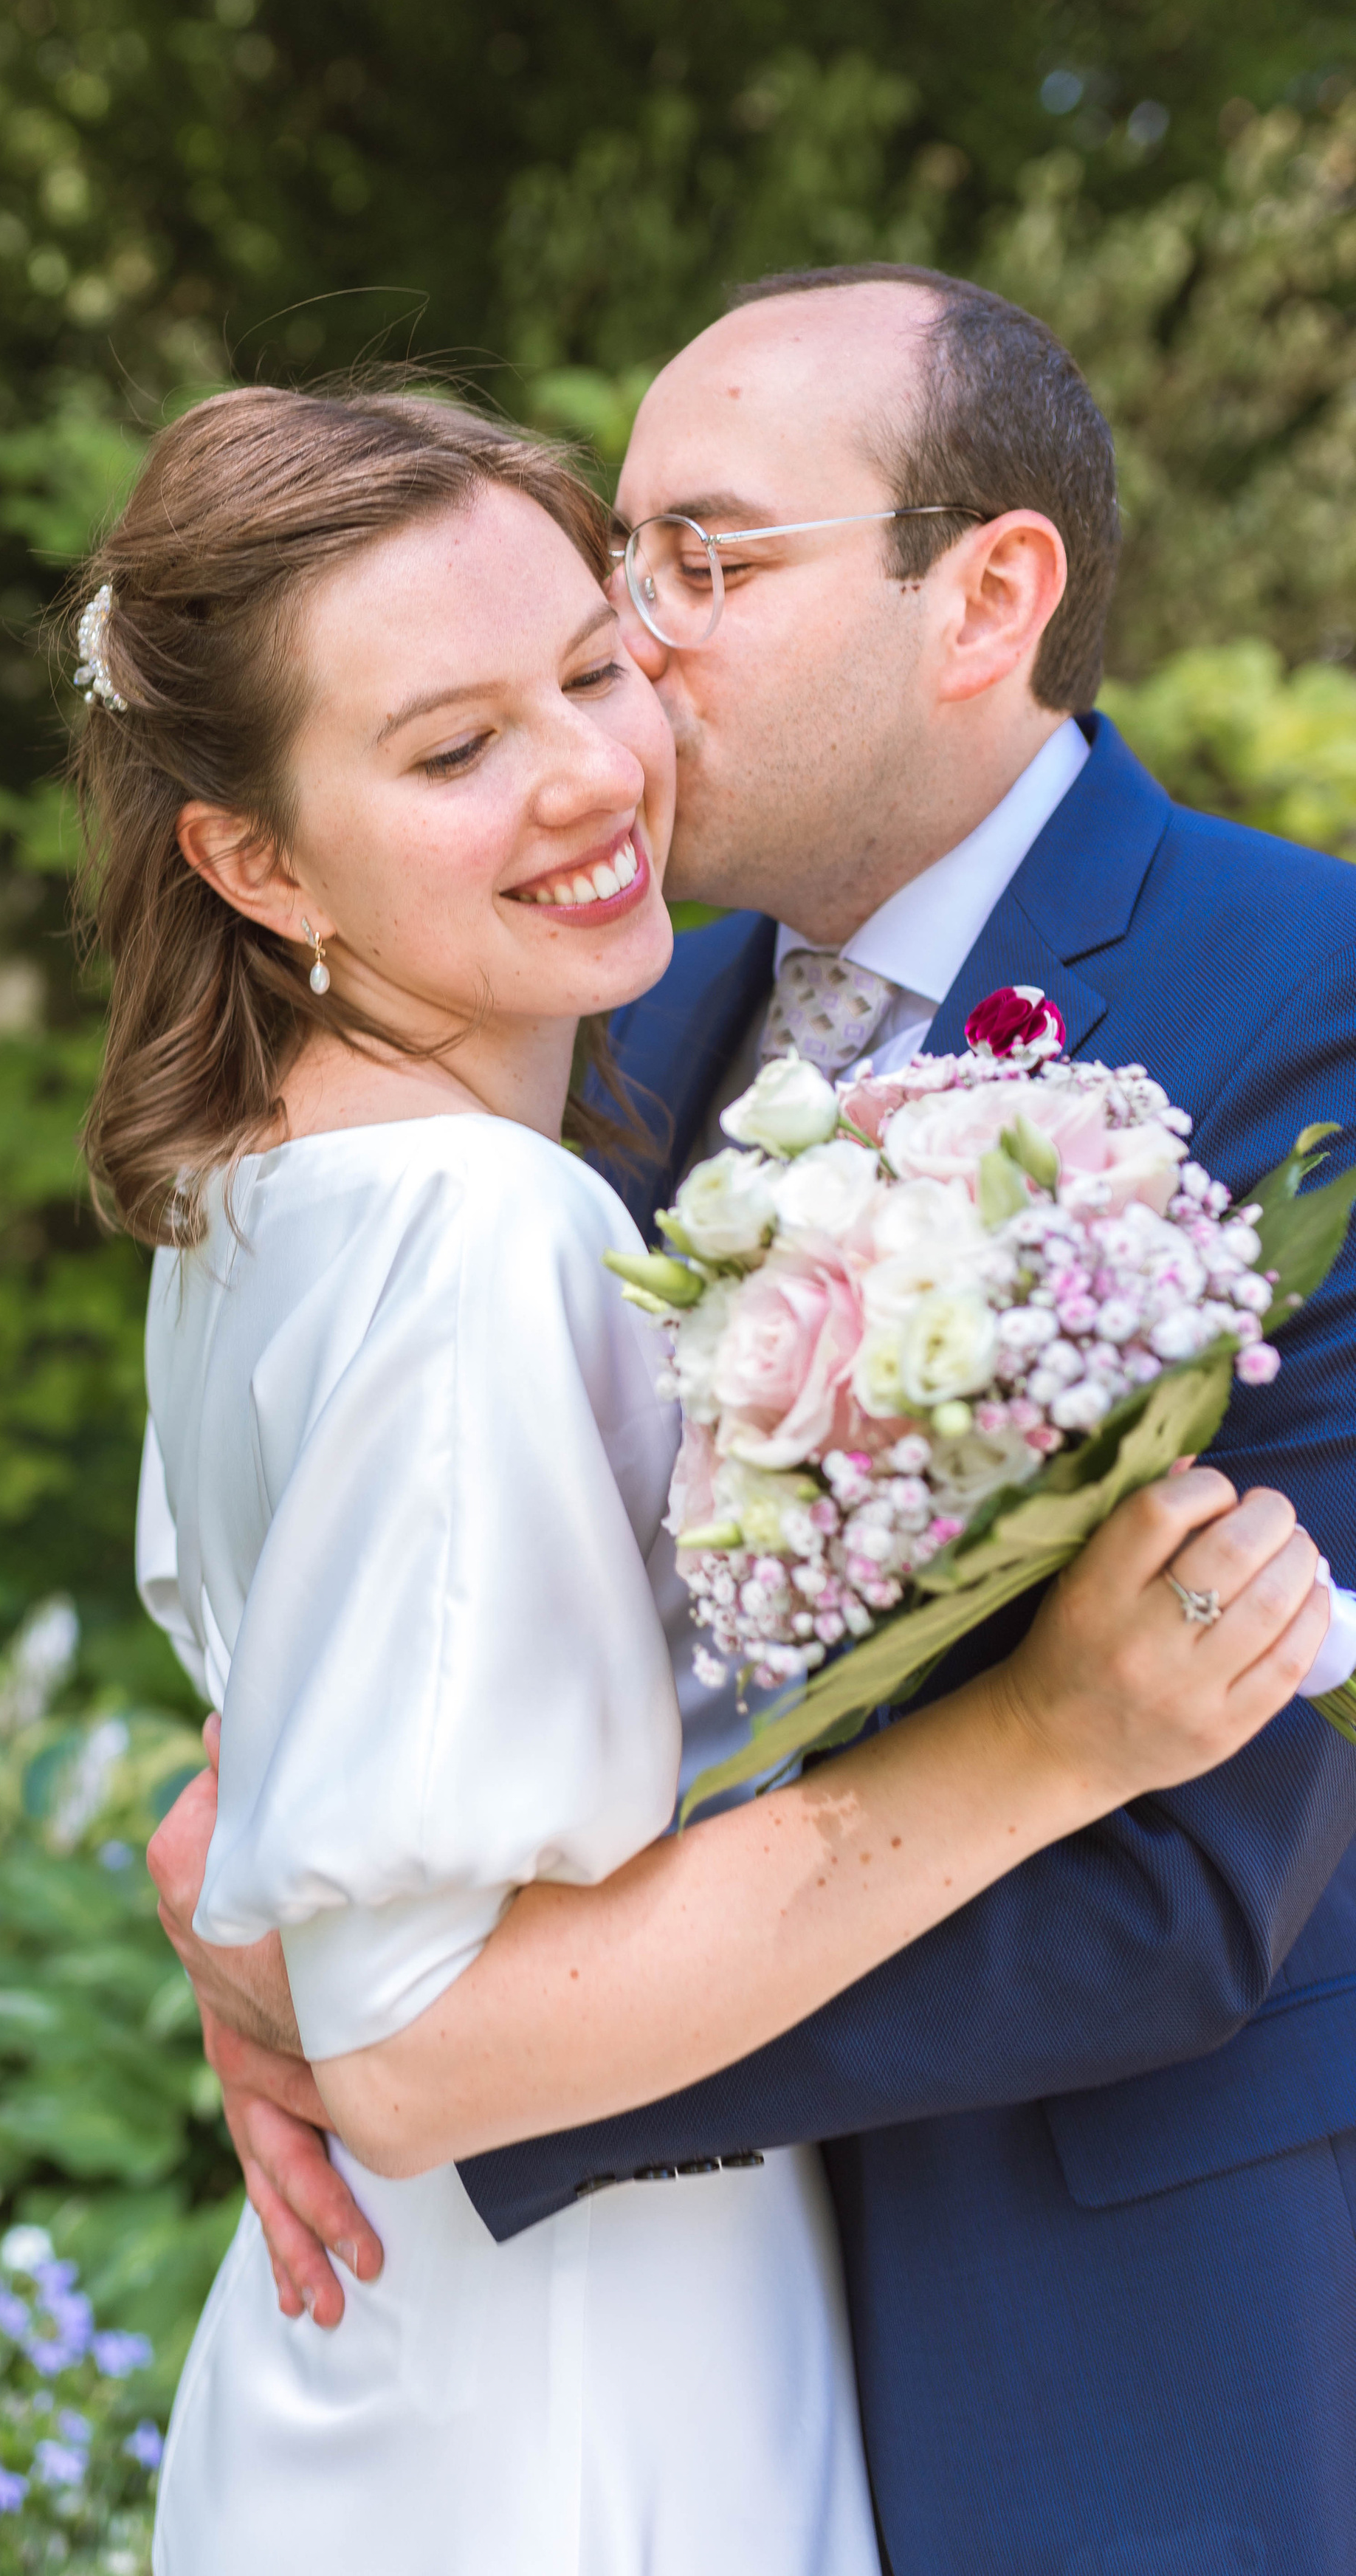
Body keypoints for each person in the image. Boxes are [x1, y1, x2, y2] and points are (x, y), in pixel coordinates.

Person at [154, 275, 1356, 2575]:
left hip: (1103, 2305)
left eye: (704, 561)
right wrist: (261, 1842)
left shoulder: (1307, 1009)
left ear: (988, 594)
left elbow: (1209, 1867)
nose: (626, 641)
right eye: (620, 553)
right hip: (632, 2367)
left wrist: (454, 2043)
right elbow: (450, 1581)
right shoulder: (600, 1016)